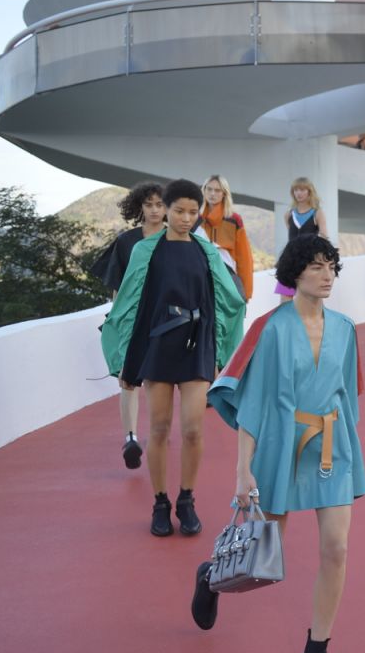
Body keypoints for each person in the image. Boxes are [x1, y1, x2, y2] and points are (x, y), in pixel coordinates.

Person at [194, 234, 365, 653]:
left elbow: (349, 396)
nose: (326, 273)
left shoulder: (347, 329)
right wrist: (243, 472)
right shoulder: (270, 328)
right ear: (295, 274)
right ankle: (212, 574)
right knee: (263, 554)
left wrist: (351, 453)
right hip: (280, 445)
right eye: (315, 266)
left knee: (337, 549)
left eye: (331, 265)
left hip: (332, 448)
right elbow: (252, 402)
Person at [100, 178, 246, 536]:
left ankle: (186, 500)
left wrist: (220, 352)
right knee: (160, 430)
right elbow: (131, 306)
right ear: (164, 209)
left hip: (196, 347)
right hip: (158, 347)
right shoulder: (144, 251)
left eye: (192, 212)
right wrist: (125, 362)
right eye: (178, 210)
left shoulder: (206, 251)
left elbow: (226, 303)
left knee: (194, 430)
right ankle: (161, 503)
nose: (185, 218)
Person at [89, 181, 165, 470]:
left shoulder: (177, 239)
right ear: (139, 207)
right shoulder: (126, 242)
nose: (155, 210)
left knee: (160, 380)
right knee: (128, 377)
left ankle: (158, 431)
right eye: (149, 204)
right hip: (132, 317)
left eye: (160, 204)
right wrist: (116, 318)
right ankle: (130, 437)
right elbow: (117, 287)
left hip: (166, 319)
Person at [199, 174, 254, 301]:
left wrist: (246, 291)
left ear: (224, 193)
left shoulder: (234, 219)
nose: (212, 193)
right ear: (204, 191)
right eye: (209, 189)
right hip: (201, 276)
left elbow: (244, 257)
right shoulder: (196, 219)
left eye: (217, 190)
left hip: (227, 276)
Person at [275, 176, 325, 301]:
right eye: (296, 190)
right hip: (290, 260)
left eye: (303, 190)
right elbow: (292, 238)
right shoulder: (289, 214)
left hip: (309, 260)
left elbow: (324, 236)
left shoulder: (317, 213)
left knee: (311, 299)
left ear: (309, 192)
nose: (299, 193)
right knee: (285, 300)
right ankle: (286, 321)